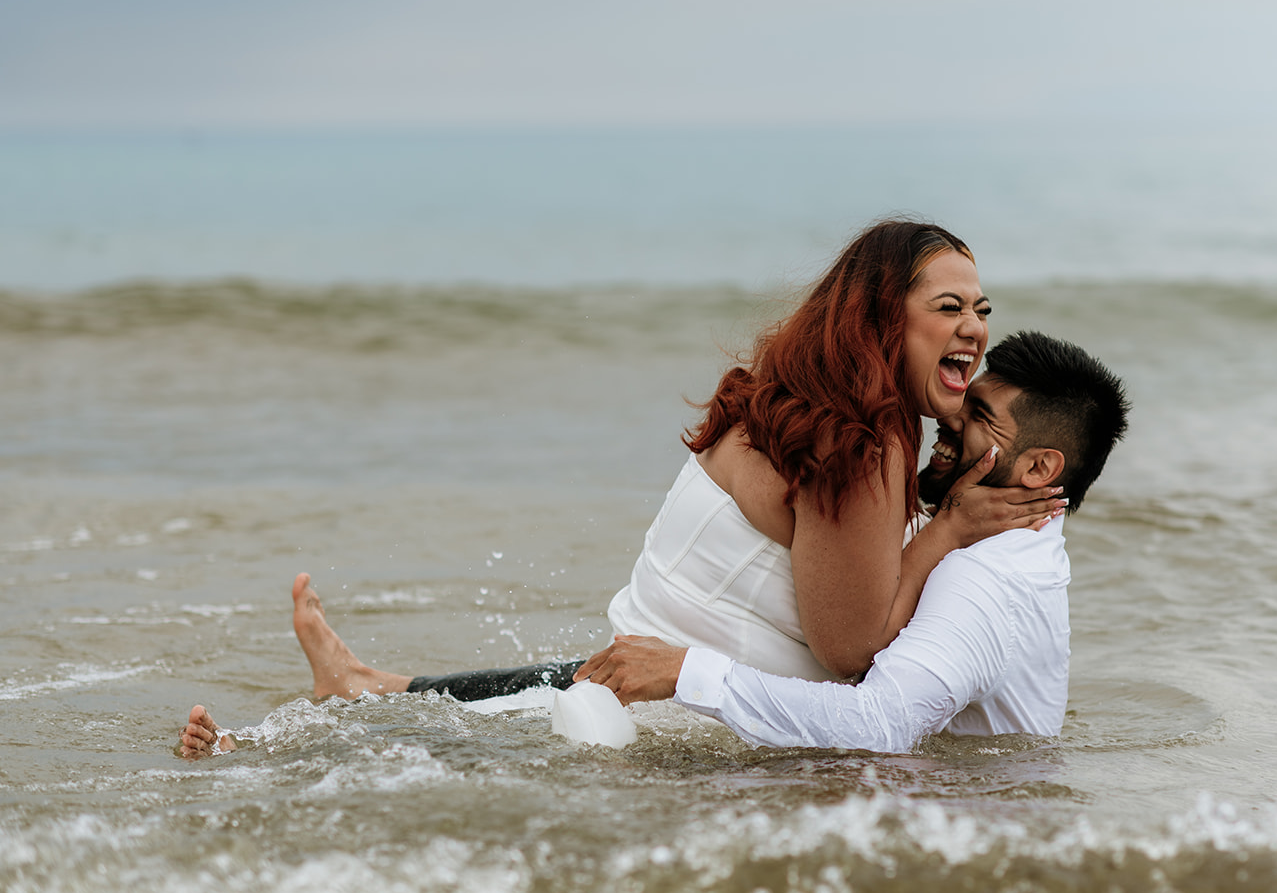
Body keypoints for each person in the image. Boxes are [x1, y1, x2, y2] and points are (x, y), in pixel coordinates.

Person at [180, 333, 1127, 757]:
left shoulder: (995, 578)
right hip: (917, 810)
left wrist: (693, 672)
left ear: (1040, 466)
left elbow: (883, 723)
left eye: (980, 417)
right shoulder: (974, 524)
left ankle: (274, 749)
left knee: (634, 717)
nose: (952, 418)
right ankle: (351, 704)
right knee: (607, 693)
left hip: (953, 837)